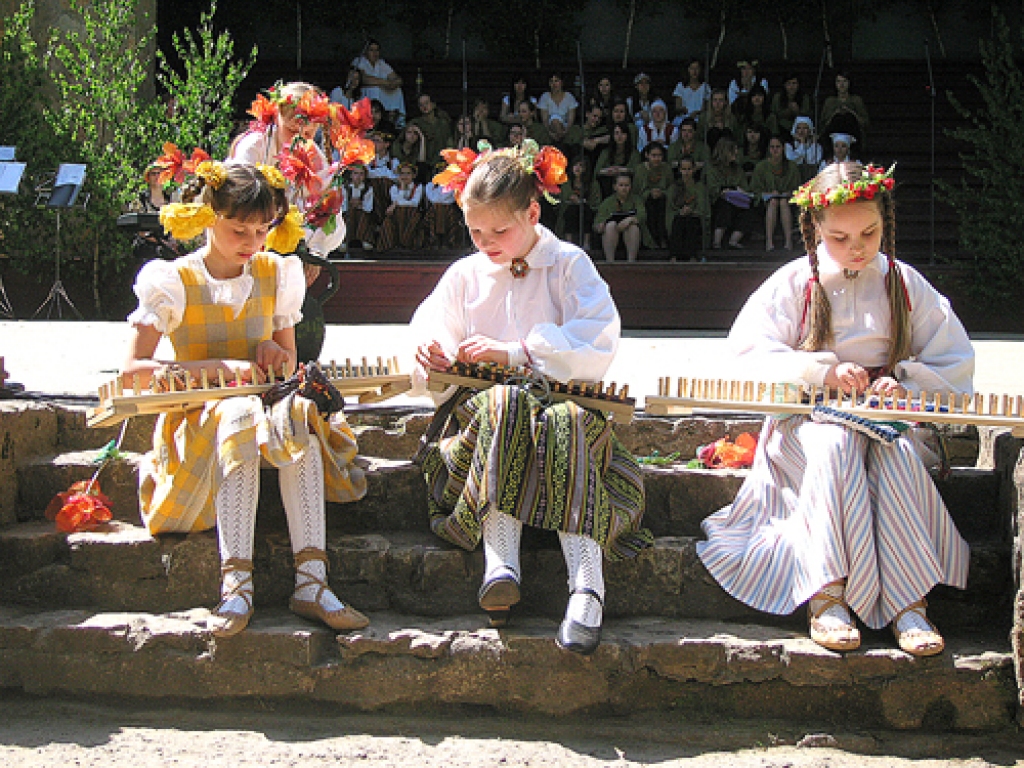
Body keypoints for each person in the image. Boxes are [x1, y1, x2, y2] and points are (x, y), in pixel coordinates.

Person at [698, 162, 973, 657]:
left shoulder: (904, 283)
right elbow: (746, 354)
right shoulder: (794, 282)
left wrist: (903, 382)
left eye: (869, 233)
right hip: (807, 421)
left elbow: (954, 359)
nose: (856, 248)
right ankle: (826, 593)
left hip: (883, 422)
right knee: (834, 446)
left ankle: (908, 600)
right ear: (815, 228)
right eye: (840, 237)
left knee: (895, 454)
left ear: (885, 223)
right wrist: (820, 372)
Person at [412, 140, 651, 655]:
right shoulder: (465, 275)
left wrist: (517, 352)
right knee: (507, 403)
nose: (486, 243)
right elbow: (432, 329)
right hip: (485, 423)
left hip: (566, 421)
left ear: (533, 214)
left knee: (565, 418)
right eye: (475, 232)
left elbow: (597, 338)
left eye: (500, 231)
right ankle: (501, 561)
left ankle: (587, 588)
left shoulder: (568, 263)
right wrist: (434, 354)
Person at [126, 160, 370, 638]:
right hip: (199, 423)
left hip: (265, 414)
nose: (252, 242)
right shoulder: (174, 280)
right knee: (237, 410)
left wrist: (274, 354)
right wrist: (222, 368)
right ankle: (236, 584)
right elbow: (133, 372)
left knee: (298, 409)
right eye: (239, 229)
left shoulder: (275, 273)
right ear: (208, 217)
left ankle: (312, 581)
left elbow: (289, 366)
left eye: (262, 230)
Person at [751, 135, 801, 251]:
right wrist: (768, 193)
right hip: (766, 202)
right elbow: (755, 189)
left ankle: (788, 241)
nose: (775, 150)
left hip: (788, 201)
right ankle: (769, 242)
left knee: (783, 202)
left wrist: (789, 193)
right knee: (773, 202)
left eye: (778, 147)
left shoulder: (792, 166)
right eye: (772, 147)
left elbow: (797, 188)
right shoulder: (761, 166)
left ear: (783, 148)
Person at [706, 136, 753, 249]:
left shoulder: (737, 169)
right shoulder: (712, 168)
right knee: (724, 208)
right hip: (718, 200)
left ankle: (734, 240)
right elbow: (712, 188)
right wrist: (723, 191)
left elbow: (744, 187)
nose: (736, 152)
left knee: (747, 210)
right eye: (733, 150)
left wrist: (737, 190)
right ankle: (717, 242)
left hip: (737, 200)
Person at [352, 39, 405, 126]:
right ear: (366, 52)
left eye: (377, 50)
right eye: (371, 50)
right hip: (365, 91)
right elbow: (363, 79)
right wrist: (385, 83)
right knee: (375, 89)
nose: (375, 53)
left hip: (382, 90)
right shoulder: (360, 61)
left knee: (397, 90)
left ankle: (393, 118)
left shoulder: (382, 63)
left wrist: (394, 84)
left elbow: (397, 78)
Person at [595, 172, 646, 262]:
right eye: (621, 185)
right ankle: (610, 262)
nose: (624, 188)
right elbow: (598, 221)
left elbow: (642, 215)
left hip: (632, 236)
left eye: (626, 185)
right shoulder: (607, 202)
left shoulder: (636, 200)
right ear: (615, 187)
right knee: (610, 226)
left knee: (633, 228)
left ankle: (631, 262)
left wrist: (630, 220)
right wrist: (600, 226)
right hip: (611, 236)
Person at [668, 155, 708, 262]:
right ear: (679, 170)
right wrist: (680, 211)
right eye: (684, 169)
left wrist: (692, 211)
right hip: (678, 218)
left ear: (694, 169)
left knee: (691, 222)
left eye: (689, 169)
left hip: (695, 219)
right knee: (678, 221)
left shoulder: (700, 187)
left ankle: (692, 256)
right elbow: (670, 208)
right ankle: (674, 256)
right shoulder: (674, 187)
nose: (686, 172)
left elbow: (703, 208)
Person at [378, 161, 424, 251]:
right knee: (390, 220)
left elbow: (415, 203)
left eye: (408, 173)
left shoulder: (418, 187)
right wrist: (402, 188)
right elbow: (396, 200)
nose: (405, 176)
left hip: (412, 214)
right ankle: (391, 244)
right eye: (402, 173)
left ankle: (406, 242)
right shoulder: (394, 188)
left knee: (408, 213)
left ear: (414, 175)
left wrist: (396, 204)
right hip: (397, 215)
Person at [634, 142, 672, 250]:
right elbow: (636, 191)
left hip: (663, 199)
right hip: (644, 200)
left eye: (659, 155)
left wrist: (662, 193)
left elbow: (671, 187)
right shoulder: (640, 169)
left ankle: (663, 239)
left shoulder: (666, 168)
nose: (657, 159)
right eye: (654, 155)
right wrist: (648, 193)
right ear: (647, 155)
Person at [820, 71, 869, 153]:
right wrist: (835, 114)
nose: (841, 84)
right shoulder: (830, 101)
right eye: (838, 81)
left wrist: (851, 112)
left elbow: (865, 123)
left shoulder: (856, 100)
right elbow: (823, 125)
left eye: (844, 81)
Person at [594, 121, 639, 200]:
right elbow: (597, 172)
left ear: (627, 135)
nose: (619, 136)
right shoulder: (606, 152)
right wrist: (608, 170)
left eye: (622, 133)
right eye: (617, 133)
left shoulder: (634, 153)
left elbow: (637, 171)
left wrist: (621, 170)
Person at [410, 93, 453, 168]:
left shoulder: (443, 124)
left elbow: (449, 143)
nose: (424, 106)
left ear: (433, 104)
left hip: (441, 164)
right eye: (421, 105)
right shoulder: (415, 123)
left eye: (426, 103)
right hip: (421, 164)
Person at [341, 163, 375, 252]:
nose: (358, 177)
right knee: (348, 215)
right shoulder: (345, 187)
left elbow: (368, 207)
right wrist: (350, 204)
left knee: (363, 215)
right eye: (355, 173)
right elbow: (342, 204)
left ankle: (365, 239)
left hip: (362, 212)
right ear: (351, 175)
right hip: (348, 212)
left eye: (361, 174)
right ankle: (344, 241)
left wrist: (360, 204)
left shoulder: (368, 188)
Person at [672, 58, 710, 125]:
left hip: (700, 119)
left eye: (697, 68)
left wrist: (697, 113)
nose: (694, 71)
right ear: (688, 70)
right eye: (692, 68)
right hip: (684, 118)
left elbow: (706, 107)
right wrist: (683, 109)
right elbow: (678, 106)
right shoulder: (680, 86)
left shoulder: (705, 87)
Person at [787, 116, 824, 183]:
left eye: (805, 128)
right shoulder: (789, 146)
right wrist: (802, 144)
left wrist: (813, 144)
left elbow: (812, 160)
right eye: (799, 128)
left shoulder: (816, 146)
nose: (801, 131)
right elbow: (793, 160)